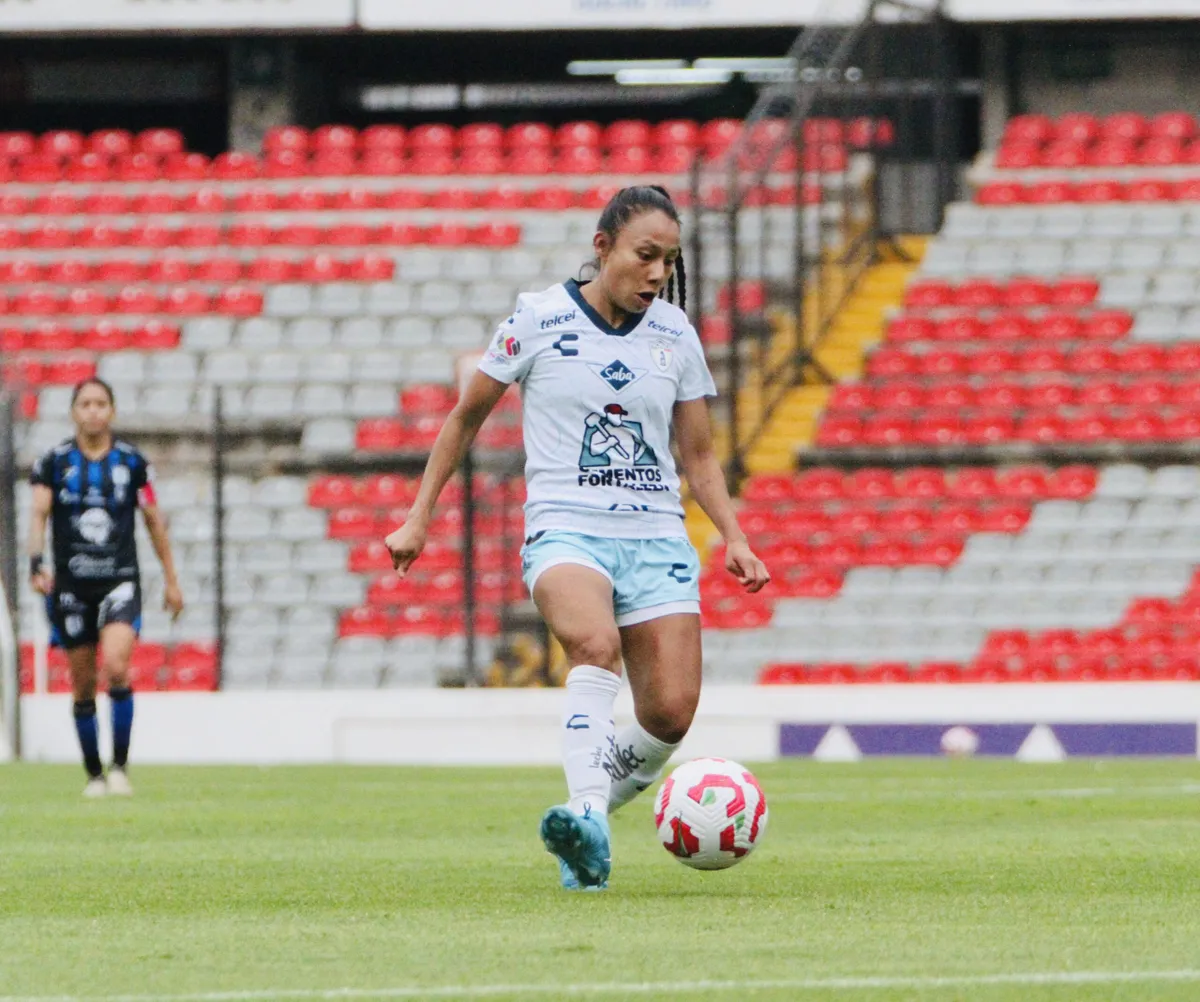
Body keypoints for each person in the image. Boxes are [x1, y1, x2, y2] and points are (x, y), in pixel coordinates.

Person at [386, 185, 769, 890]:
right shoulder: (538, 319)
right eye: (645, 256)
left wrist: (735, 536)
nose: (657, 273)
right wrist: (419, 514)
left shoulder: (675, 335)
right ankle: (591, 821)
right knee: (595, 645)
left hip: (656, 534)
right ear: (604, 249)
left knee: (669, 715)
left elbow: (700, 456)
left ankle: (579, 818)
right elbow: (464, 420)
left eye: (668, 260)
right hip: (567, 530)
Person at [27, 378, 184, 798]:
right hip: (71, 585)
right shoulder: (54, 461)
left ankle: (119, 767)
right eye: (85, 404)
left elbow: (153, 520)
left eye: (100, 403)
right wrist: (36, 563)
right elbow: (39, 513)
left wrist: (171, 579)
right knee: (81, 681)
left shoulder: (133, 463)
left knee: (116, 665)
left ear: (112, 410)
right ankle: (94, 774)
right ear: (74, 411)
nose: (93, 411)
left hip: (119, 580)